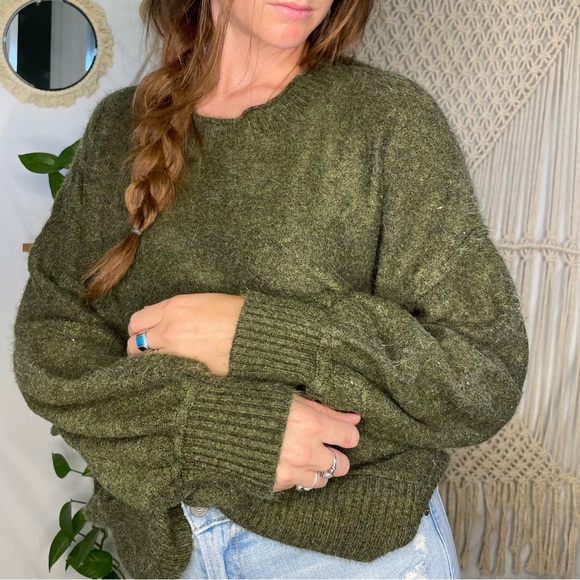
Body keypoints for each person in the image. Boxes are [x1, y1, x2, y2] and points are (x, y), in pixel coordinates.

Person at [13, 0, 528, 578]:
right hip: (165, 555)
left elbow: (483, 373)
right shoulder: (120, 129)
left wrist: (255, 335)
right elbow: (49, 346)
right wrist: (219, 427)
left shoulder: (387, 120)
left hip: (342, 559)